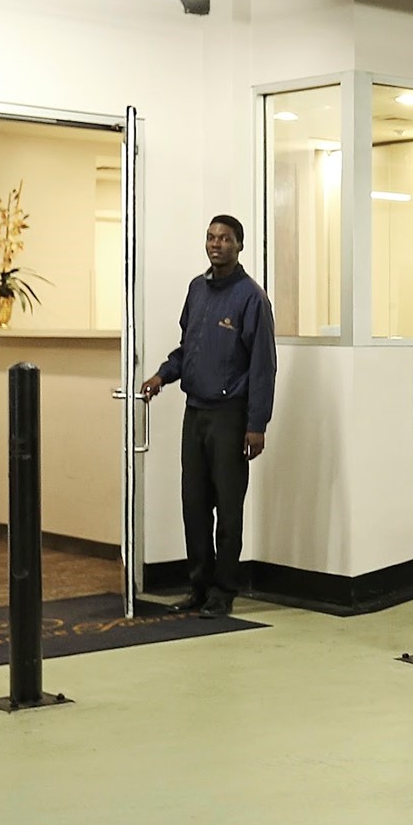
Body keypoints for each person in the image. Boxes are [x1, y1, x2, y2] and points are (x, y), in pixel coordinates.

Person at [141, 215, 276, 617]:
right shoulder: (197, 290)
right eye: (211, 237)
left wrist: (256, 425)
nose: (216, 244)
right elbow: (189, 348)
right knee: (195, 505)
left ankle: (223, 592)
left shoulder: (251, 298)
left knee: (228, 508)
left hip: (230, 416)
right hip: (195, 412)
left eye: (225, 239)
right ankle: (198, 587)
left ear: (240, 245)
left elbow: (263, 366)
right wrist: (163, 375)